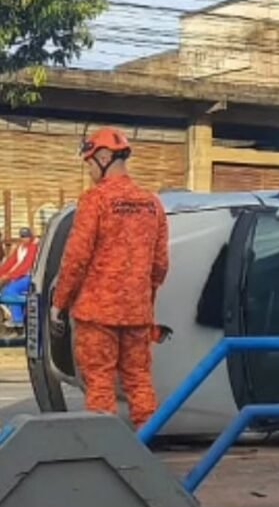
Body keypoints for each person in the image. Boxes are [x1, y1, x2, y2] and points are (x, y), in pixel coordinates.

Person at [50, 126, 169, 429]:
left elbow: (76, 258)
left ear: (103, 156)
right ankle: (145, 449)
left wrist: (59, 303)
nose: (89, 169)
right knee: (139, 383)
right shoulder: (152, 204)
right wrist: (144, 297)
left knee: (100, 385)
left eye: (89, 162)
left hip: (96, 312)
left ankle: (105, 456)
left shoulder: (95, 200)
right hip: (137, 312)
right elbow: (160, 265)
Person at [0, 227, 39, 329]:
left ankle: (18, 320)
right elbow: (10, 262)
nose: (24, 239)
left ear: (31, 237)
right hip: (21, 276)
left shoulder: (34, 247)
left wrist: (8, 276)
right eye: (22, 236)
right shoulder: (20, 247)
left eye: (26, 237)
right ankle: (18, 315)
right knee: (5, 290)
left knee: (10, 290)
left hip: (30, 277)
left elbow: (26, 266)